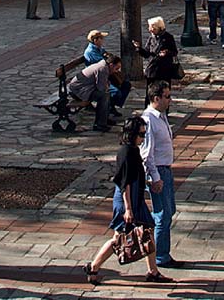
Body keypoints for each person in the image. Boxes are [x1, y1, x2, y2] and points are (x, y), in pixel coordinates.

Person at [83, 115, 172, 285]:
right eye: (141, 134)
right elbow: (125, 183)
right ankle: (93, 266)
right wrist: (129, 209)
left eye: (144, 134)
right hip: (127, 201)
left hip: (134, 199)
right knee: (119, 238)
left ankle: (152, 271)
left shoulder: (132, 150)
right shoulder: (127, 152)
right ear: (131, 134)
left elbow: (134, 178)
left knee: (147, 231)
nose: (143, 138)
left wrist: (148, 185)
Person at [141, 81, 180, 270]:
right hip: (158, 171)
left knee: (170, 210)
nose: (170, 100)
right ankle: (161, 256)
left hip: (167, 169)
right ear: (156, 98)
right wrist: (155, 178)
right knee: (162, 214)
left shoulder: (161, 116)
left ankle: (161, 251)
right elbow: (146, 154)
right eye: (167, 96)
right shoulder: (149, 120)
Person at [85, 29, 131, 114]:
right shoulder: (91, 52)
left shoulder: (99, 48)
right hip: (97, 78)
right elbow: (104, 63)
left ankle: (112, 105)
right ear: (95, 40)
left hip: (107, 75)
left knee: (126, 85)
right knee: (115, 92)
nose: (103, 40)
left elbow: (108, 56)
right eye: (101, 38)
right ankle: (108, 108)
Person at [67, 56, 115, 132]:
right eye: (116, 68)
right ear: (111, 65)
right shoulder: (102, 69)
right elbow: (101, 88)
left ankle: (104, 119)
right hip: (78, 90)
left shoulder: (103, 66)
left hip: (84, 88)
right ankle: (100, 124)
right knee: (104, 96)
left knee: (106, 95)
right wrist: (106, 86)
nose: (116, 71)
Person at [133, 16, 179, 92]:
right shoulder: (151, 38)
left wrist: (166, 52)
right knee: (150, 93)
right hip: (152, 70)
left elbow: (174, 52)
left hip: (164, 70)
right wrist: (139, 48)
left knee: (164, 92)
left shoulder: (168, 37)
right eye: (150, 28)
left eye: (153, 28)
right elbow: (147, 54)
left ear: (159, 28)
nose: (150, 30)